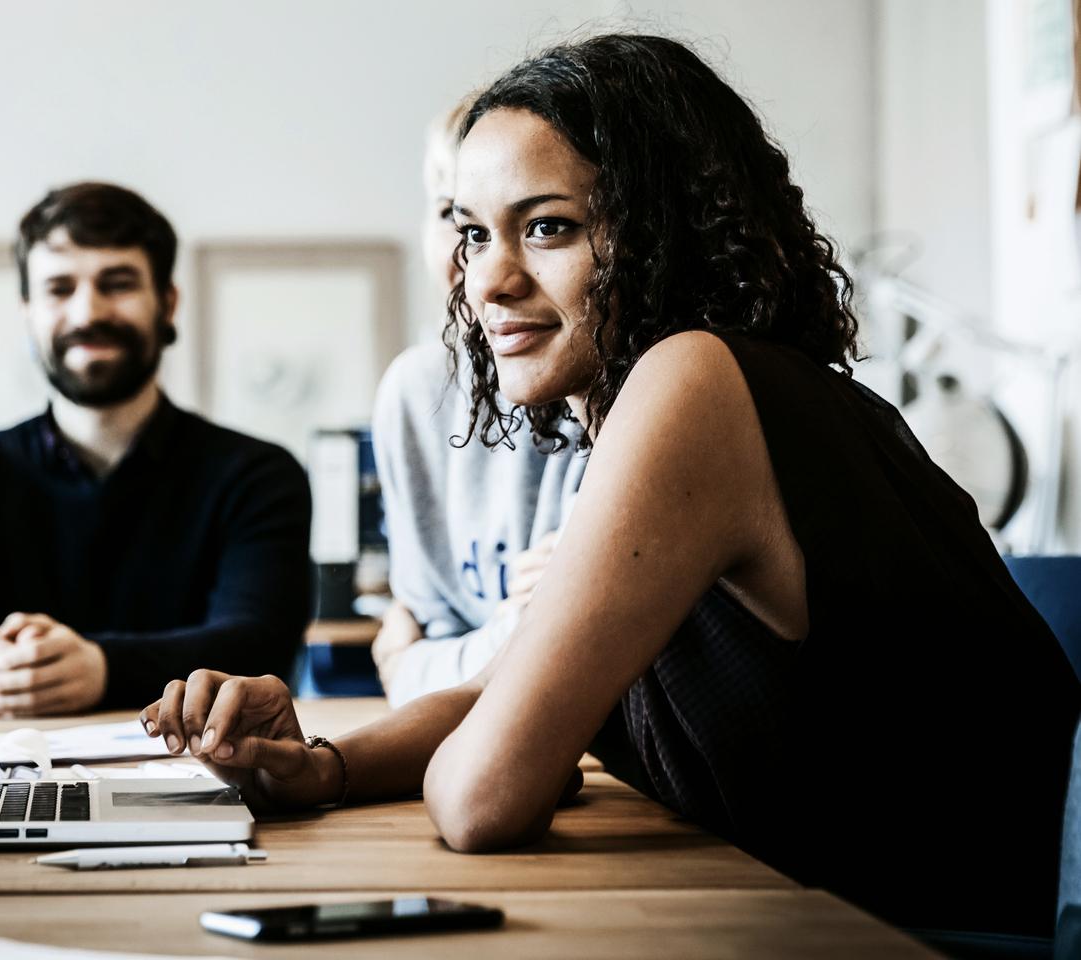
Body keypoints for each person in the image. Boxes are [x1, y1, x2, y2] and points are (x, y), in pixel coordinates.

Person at [143, 35, 1080, 938]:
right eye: (472, 234)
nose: (488, 281)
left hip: (941, 937)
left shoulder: (694, 382)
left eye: (547, 227)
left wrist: (524, 754)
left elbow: (480, 799)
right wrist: (322, 767)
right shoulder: (714, 390)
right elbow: (502, 694)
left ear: (661, 229)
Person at [0, 182, 311, 717]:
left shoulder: (258, 476)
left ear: (167, 303)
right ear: (28, 312)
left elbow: (258, 644)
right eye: (59, 288)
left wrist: (103, 668)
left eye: (118, 283)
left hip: (195, 778)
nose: (88, 312)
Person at [371, 96, 586, 707]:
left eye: (541, 224)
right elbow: (428, 623)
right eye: (461, 223)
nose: (486, 268)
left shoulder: (603, 387)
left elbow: (561, 655)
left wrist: (414, 669)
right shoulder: (415, 393)